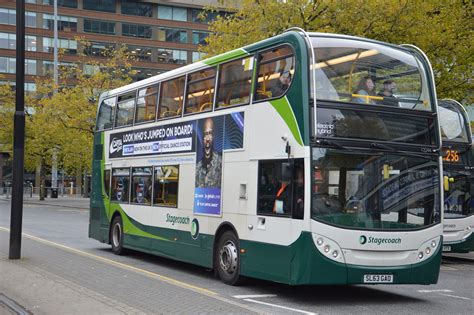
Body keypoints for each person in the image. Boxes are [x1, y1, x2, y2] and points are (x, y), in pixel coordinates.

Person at [195, 117, 222, 188]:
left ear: (214, 136)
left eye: (210, 133)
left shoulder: (220, 163)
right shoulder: (197, 167)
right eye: (205, 134)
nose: (207, 139)